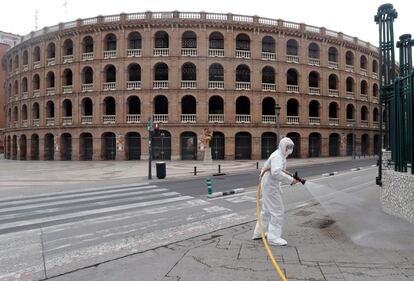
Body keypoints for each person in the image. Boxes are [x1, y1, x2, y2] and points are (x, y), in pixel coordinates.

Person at [252, 137, 298, 246]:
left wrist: (289, 178)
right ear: (283, 146)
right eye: (288, 147)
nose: (290, 149)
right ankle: (273, 238)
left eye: (291, 147)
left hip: (269, 185)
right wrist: (291, 180)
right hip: (270, 187)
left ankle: (259, 233)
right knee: (277, 211)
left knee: (266, 211)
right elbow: (276, 172)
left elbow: (278, 171)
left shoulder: (280, 155)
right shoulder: (277, 156)